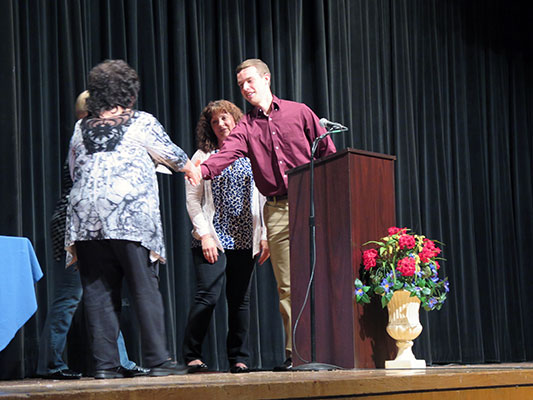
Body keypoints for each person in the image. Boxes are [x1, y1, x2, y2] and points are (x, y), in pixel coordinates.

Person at [194, 59, 337, 371]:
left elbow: (328, 153)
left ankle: (331, 348)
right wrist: (200, 169)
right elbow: (226, 155)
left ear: (266, 79)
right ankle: (296, 354)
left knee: (324, 277)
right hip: (278, 208)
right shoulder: (245, 126)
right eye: (241, 85)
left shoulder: (299, 112)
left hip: (314, 201)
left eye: (249, 81)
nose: (245, 88)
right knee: (287, 285)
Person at [64, 59, 201, 379]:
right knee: (144, 288)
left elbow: (73, 169)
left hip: (86, 221)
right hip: (128, 218)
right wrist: (189, 167)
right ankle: (157, 359)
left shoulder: (80, 127)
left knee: (98, 293)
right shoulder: (141, 122)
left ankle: (105, 366)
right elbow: (172, 154)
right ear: (128, 92)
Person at [37, 90, 142, 380]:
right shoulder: (84, 136)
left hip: (91, 226)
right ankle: (50, 362)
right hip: (78, 226)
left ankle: (120, 361)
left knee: (104, 296)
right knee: (71, 296)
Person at [183, 100, 270, 374]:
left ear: (236, 120)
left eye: (224, 118)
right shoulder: (202, 156)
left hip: (245, 238)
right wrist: (205, 235)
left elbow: (265, 197)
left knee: (240, 300)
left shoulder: (252, 153)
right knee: (207, 295)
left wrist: (265, 236)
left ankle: (239, 358)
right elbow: (192, 201)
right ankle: (192, 355)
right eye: (214, 122)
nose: (221, 125)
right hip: (213, 238)